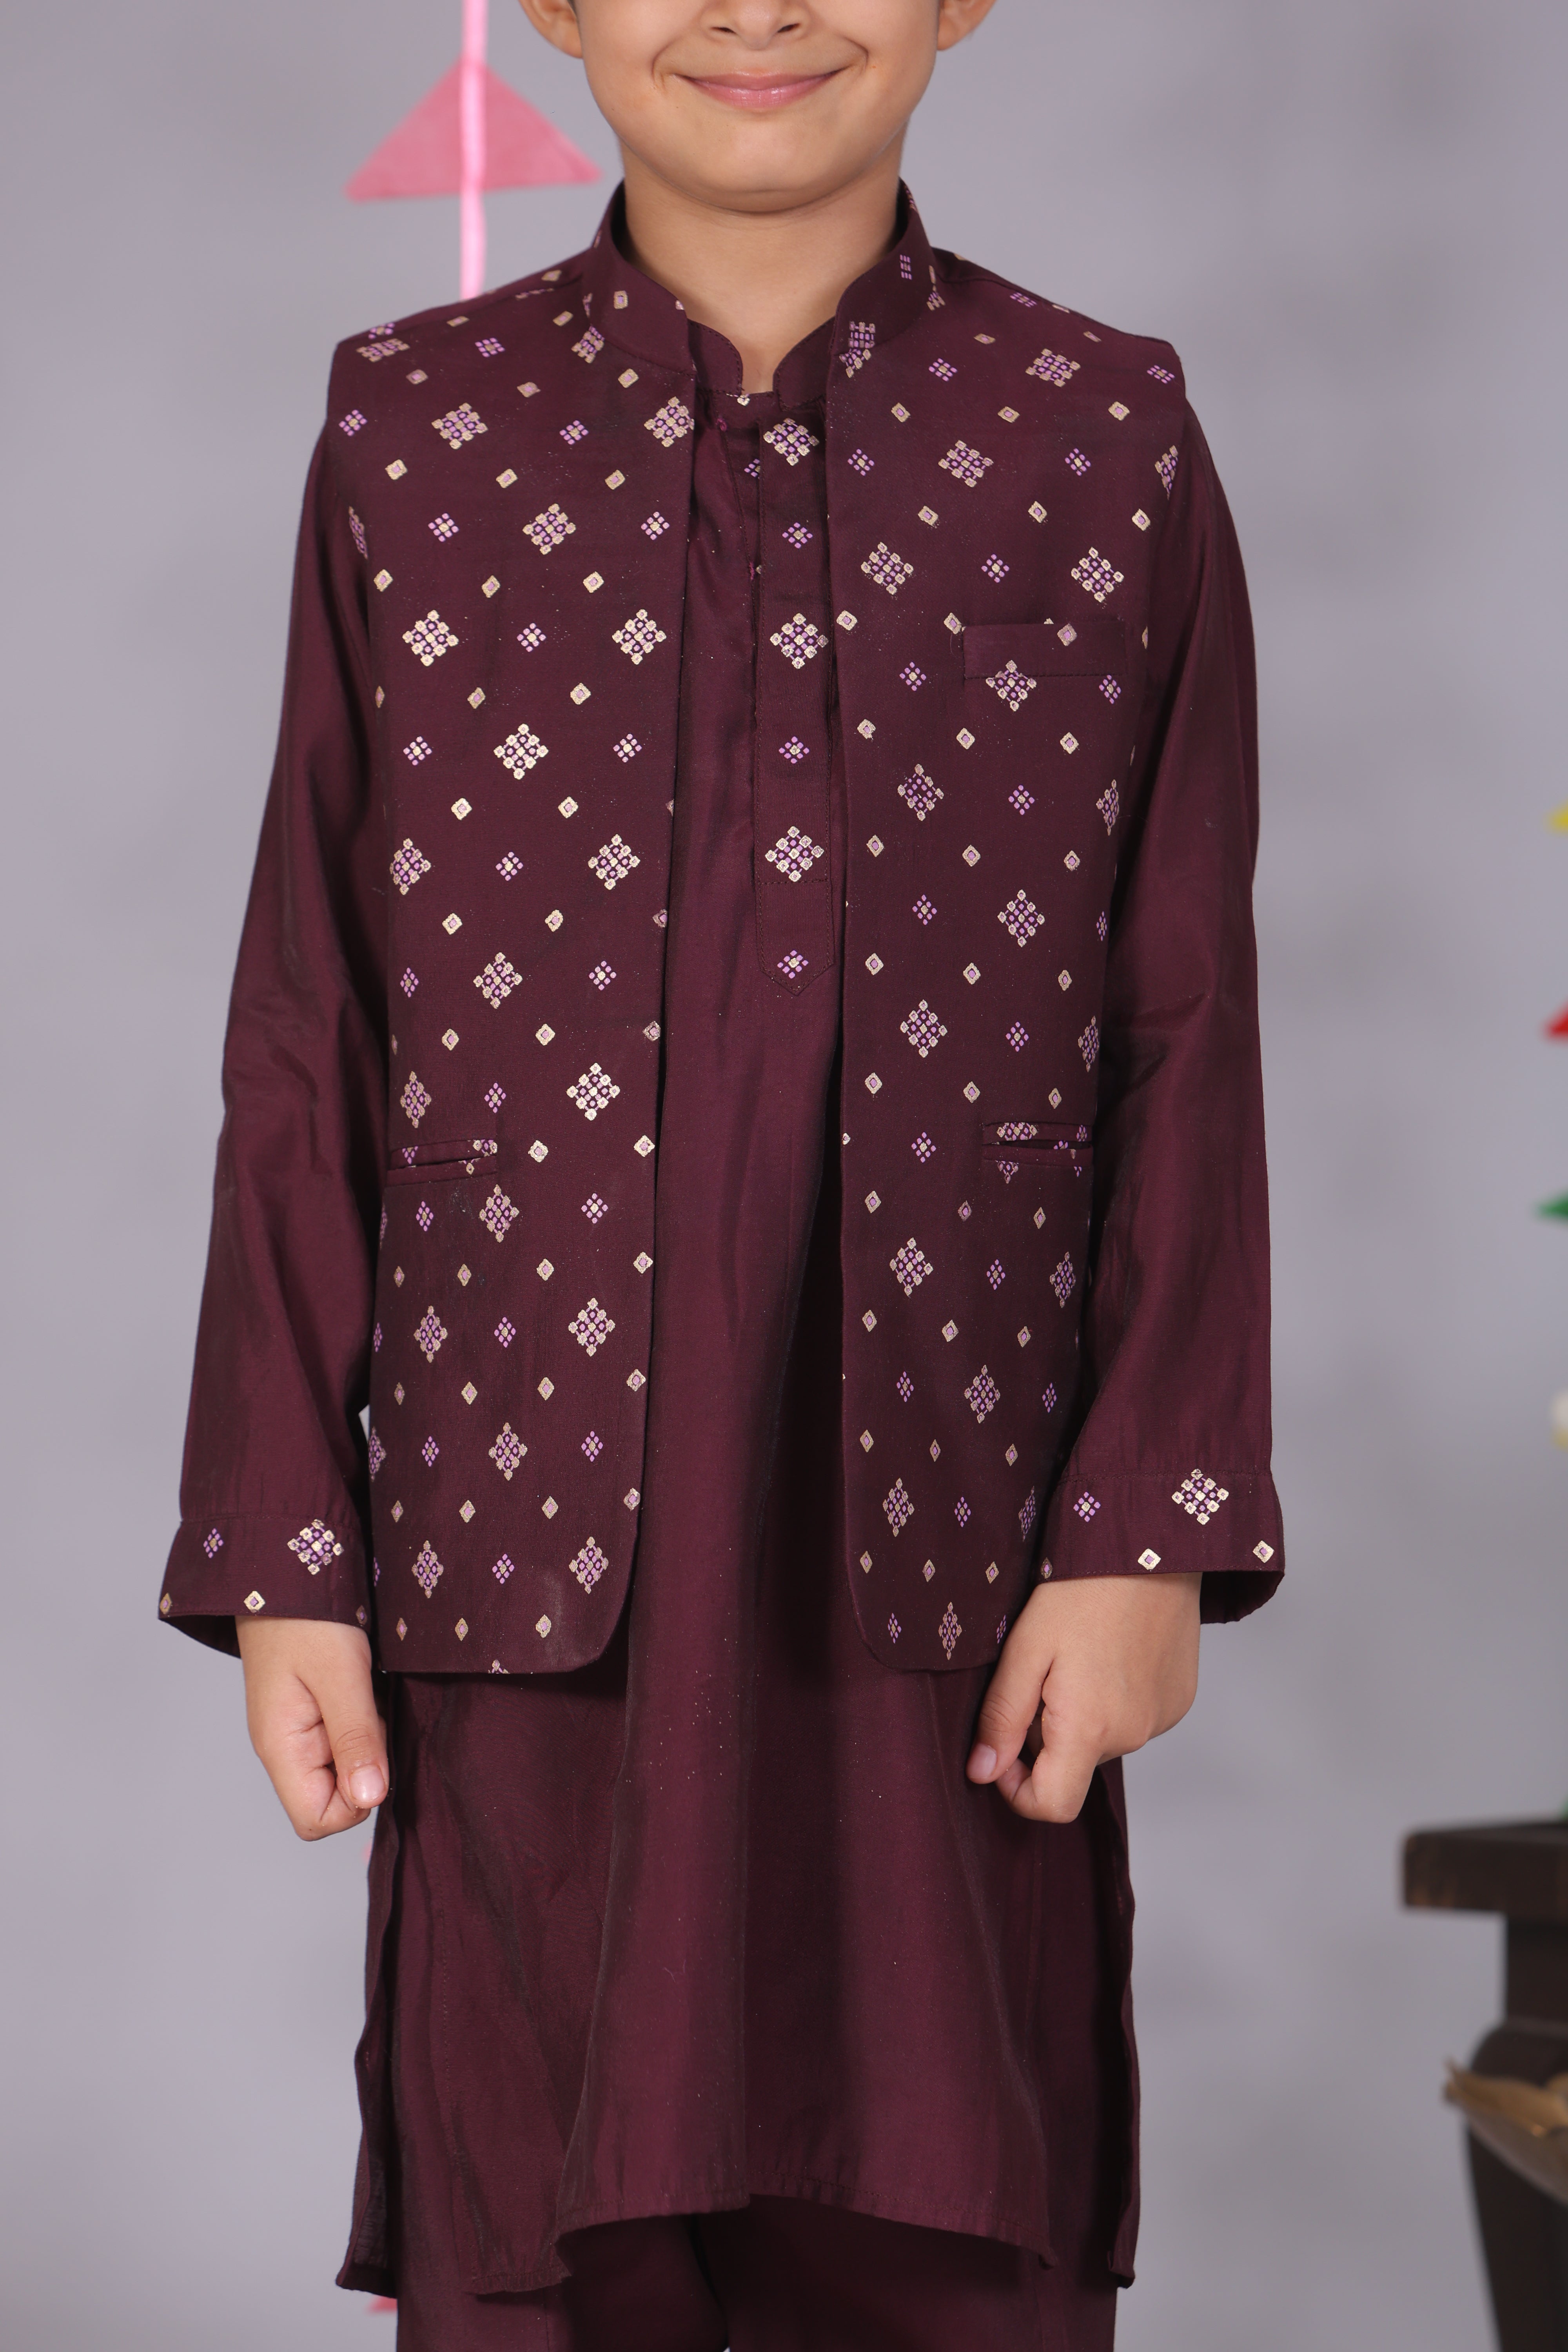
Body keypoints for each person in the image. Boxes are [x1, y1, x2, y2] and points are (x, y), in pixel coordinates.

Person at [159, 2, 1284, 2343]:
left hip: (958, 1567)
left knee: (953, 2233)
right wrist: (284, 1549)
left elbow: (1183, 1017)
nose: (758, 10)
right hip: (527, 1579)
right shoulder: (416, 431)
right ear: (556, 4)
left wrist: (1150, 1528)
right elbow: (309, 1023)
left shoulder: (1101, 431)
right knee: (541, 2249)